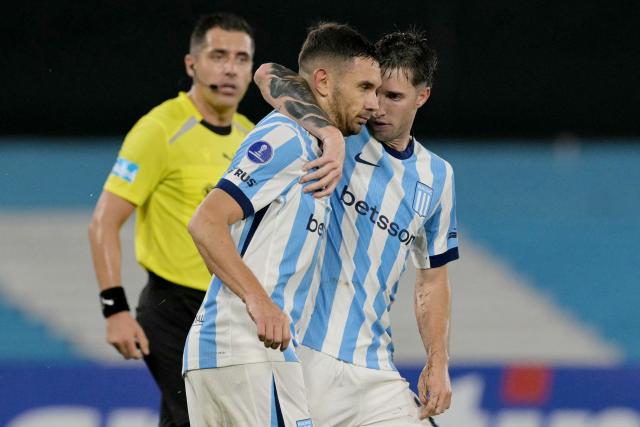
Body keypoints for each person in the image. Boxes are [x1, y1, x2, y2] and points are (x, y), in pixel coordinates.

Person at [254, 29, 458, 426]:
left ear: (423, 95)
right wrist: (328, 133)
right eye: (374, 91)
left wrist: (438, 361)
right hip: (302, 355)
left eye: (394, 97)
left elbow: (432, 279)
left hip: (374, 368)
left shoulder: (438, 177)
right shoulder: (343, 132)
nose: (377, 107)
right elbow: (266, 73)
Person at [182, 23, 380, 426]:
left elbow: (269, 74)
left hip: (234, 353)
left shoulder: (316, 144)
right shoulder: (289, 138)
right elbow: (206, 222)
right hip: (250, 352)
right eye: (364, 88)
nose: (374, 104)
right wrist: (258, 300)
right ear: (323, 81)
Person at [87, 13, 256, 427]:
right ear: (191, 64)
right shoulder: (159, 130)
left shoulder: (252, 138)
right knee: (201, 417)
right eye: (218, 56)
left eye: (241, 58)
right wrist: (115, 310)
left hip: (226, 311)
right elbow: (103, 223)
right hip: (171, 308)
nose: (230, 68)